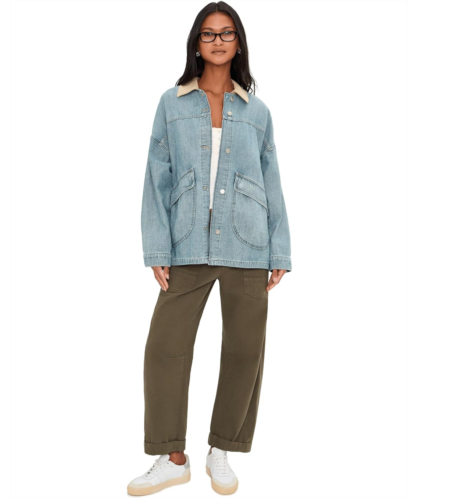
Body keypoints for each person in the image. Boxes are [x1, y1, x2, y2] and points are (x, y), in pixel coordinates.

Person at [128, 2, 292, 495]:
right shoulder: (171, 103)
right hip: (186, 243)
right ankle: (171, 457)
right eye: (208, 34)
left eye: (226, 33)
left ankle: (221, 450)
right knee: (164, 348)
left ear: (238, 43)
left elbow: (272, 180)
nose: (217, 41)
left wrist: (280, 251)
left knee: (244, 351)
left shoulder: (257, 112)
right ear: (196, 44)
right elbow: (156, 177)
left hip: (248, 243)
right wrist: (157, 246)